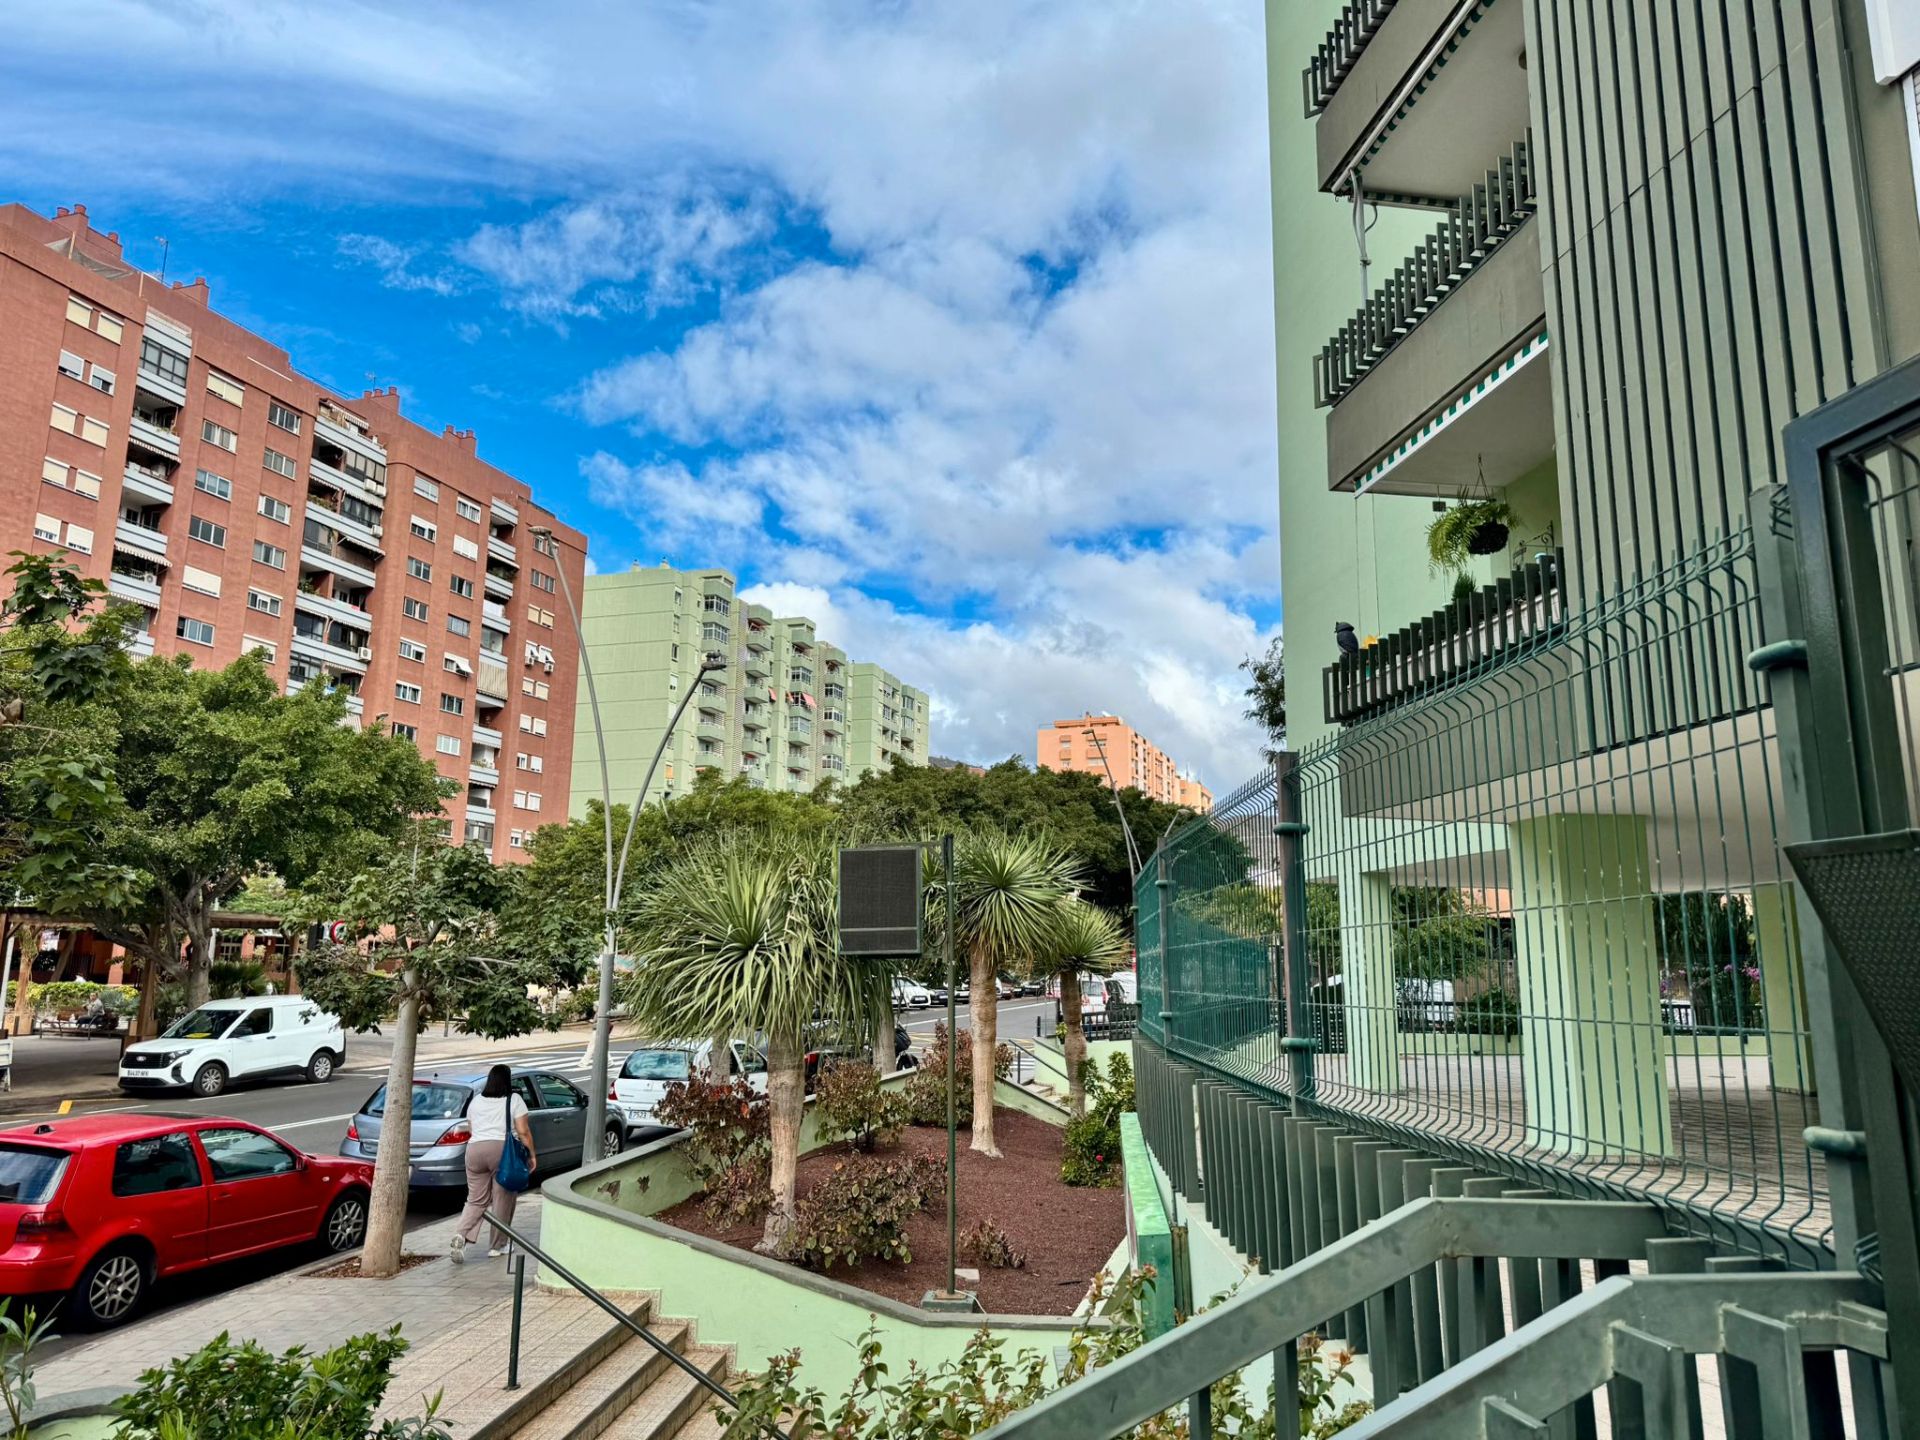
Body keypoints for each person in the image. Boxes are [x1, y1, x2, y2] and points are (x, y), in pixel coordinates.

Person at [452, 1064, 536, 1263]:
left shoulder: (476, 1101)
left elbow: (472, 1128)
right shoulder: (514, 1099)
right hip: (502, 1151)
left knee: (475, 1199)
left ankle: (460, 1235)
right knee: (502, 1199)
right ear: (508, 1081)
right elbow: (523, 1131)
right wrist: (532, 1154)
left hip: (474, 1151)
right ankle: (497, 1246)